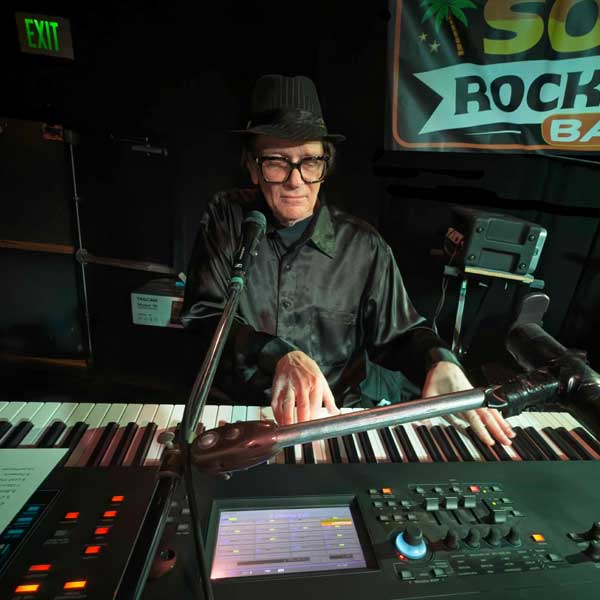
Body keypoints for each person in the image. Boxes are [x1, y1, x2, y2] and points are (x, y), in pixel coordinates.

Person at [181, 74, 515, 447]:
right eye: (276, 162)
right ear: (252, 166)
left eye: (310, 162)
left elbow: (400, 334)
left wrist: (438, 360)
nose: (296, 181)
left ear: (326, 166)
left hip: (334, 418)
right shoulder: (226, 217)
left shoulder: (364, 246)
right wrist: (278, 355)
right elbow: (204, 317)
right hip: (237, 415)